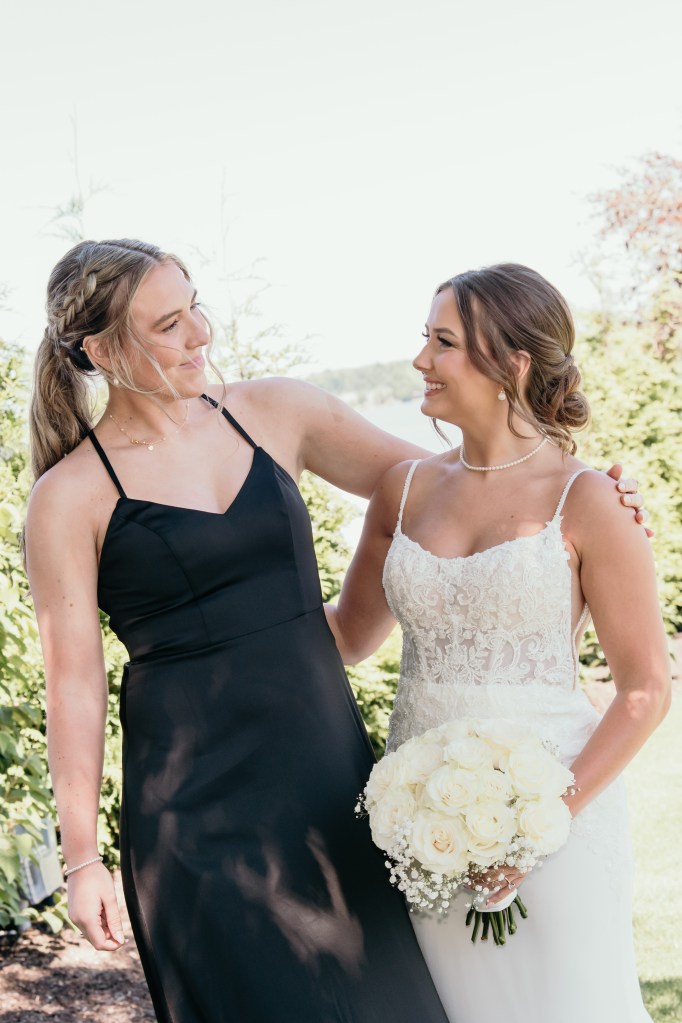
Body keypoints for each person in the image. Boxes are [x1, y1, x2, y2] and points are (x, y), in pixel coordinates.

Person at [25, 241, 643, 1023]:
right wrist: (83, 856)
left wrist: (591, 498)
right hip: (190, 808)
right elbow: (73, 683)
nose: (201, 333)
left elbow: (461, 491)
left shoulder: (276, 411)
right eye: (169, 325)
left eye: (194, 308)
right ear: (102, 351)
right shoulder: (69, 495)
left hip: (328, 777)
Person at [326, 263, 671, 1023]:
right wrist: (220, 604)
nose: (420, 359)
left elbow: (646, 690)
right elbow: (347, 635)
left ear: (512, 363)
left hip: (558, 822)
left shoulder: (589, 498)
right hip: (425, 826)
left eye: (443, 342)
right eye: (425, 338)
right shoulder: (403, 490)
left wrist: (544, 822)